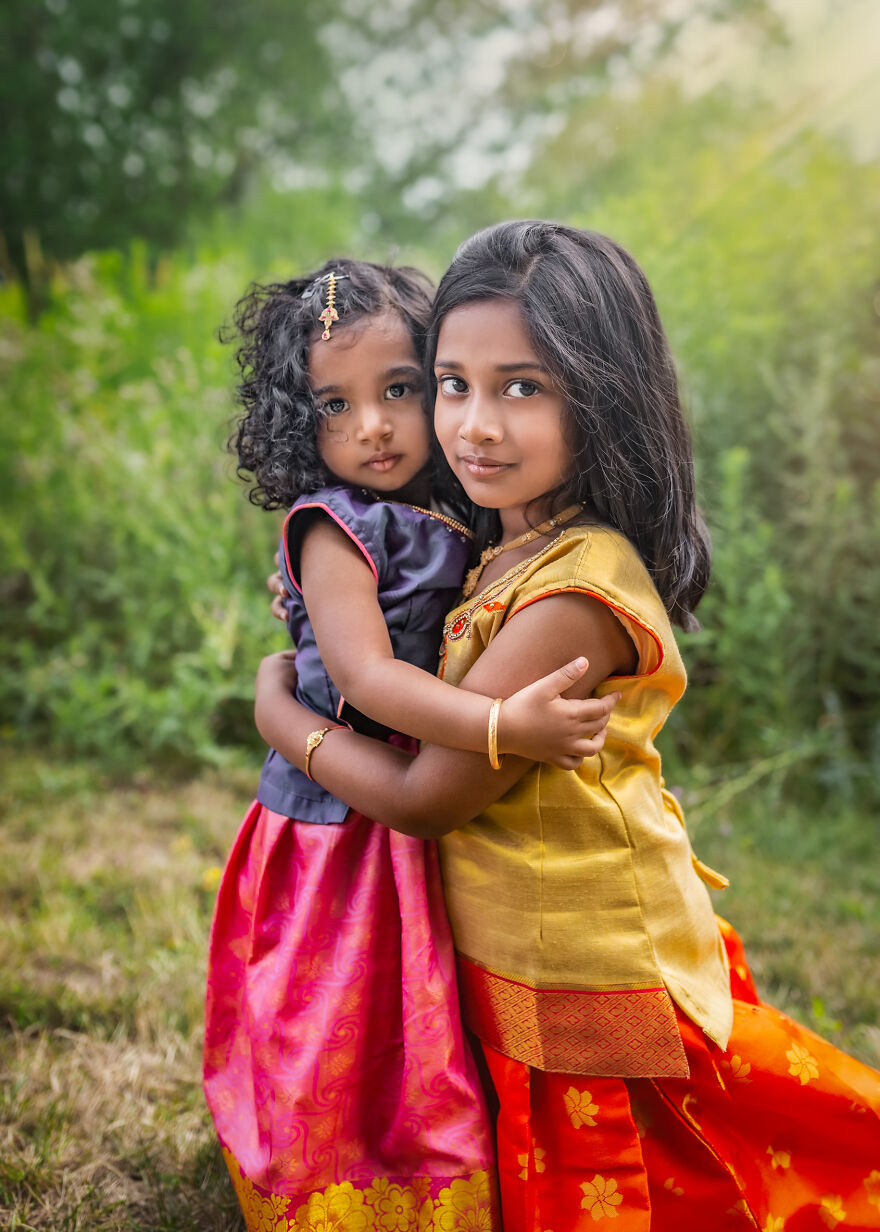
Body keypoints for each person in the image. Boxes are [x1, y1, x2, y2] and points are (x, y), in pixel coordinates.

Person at [253, 221, 880, 1231]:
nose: (474, 424)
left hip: (585, 970)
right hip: (521, 951)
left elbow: (424, 798)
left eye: (522, 387)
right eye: (450, 383)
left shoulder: (574, 594)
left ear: (604, 396)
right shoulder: (492, 546)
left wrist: (284, 716)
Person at [203, 255, 617, 1231]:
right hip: (338, 823)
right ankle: (334, 1171)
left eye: (398, 389)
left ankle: (423, 1157)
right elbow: (364, 679)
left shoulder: (453, 509)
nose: (373, 426)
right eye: (333, 404)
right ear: (296, 420)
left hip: (412, 802)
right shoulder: (332, 527)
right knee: (340, 1013)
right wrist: (500, 724)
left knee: (410, 1012)